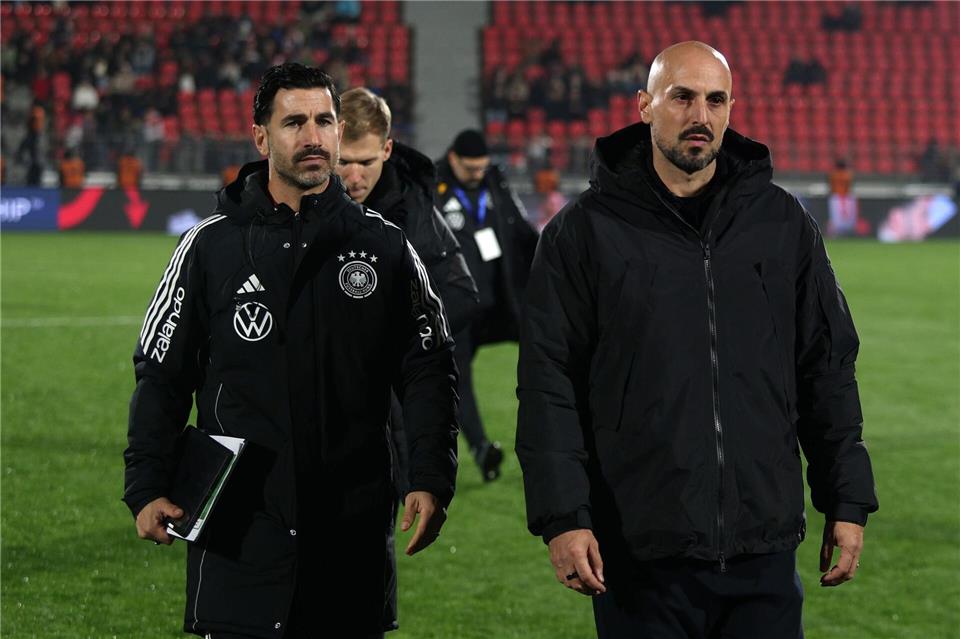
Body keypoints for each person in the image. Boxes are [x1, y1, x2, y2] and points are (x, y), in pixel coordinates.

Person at [516, 41, 878, 638]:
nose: (700, 116)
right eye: (682, 97)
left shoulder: (781, 223)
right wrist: (563, 518)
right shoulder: (582, 233)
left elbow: (827, 366)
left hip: (762, 549)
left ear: (732, 107)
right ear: (645, 106)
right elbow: (548, 383)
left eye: (716, 100)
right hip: (640, 553)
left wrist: (846, 498)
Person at [123, 63, 458, 639]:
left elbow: (429, 368)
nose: (312, 137)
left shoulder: (385, 246)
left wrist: (429, 475)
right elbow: (162, 373)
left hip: (350, 531)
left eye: (324, 121)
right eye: (294, 122)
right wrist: (147, 485)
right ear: (261, 137)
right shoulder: (208, 247)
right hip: (238, 525)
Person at [335, 87, 478, 496]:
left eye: (365, 162)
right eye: (344, 162)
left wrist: (393, 337)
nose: (354, 176)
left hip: (382, 411)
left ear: (387, 149)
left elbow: (459, 293)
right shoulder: (302, 200)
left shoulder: (412, 210)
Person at [434, 129, 539, 481]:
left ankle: (560, 436)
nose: (478, 173)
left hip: (501, 303)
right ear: (453, 159)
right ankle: (481, 450)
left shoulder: (496, 184)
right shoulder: (432, 189)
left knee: (548, 352)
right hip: (457, 309)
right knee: (457, 380)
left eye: (482, 167)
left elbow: (522, 231)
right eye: (471, 168)